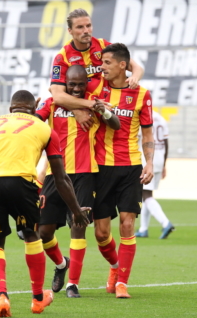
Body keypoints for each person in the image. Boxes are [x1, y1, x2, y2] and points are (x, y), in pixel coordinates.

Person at [0, 90, 90, 318]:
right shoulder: (44, 129)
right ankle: (37, 300)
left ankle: (1, 295)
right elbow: (60, 178)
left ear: (11, 108)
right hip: (22, 184)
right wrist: (75, 210)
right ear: (34, 110)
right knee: (31, 236)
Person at [36, 65, 120, 298]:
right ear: (64, 83)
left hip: (85, 173)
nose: (75, 88)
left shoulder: (93, 102)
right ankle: (62, 264)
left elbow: (115, 124)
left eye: (80, 84)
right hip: (56, 174)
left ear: (86, 84)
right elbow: (35, 121)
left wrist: (102, 111)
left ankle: (73, 284)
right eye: (71, 84)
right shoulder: (51, 101)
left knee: (79, 224)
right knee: (44, 231)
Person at [87, 43, 155, 299]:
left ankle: (122, 283)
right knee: (101, 232)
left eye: (106, 63)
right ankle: (115, 267)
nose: (101, 67)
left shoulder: (142, 94)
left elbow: (147, 133)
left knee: (127, 224)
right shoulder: (94, 88)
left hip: (130, 168)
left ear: (122, 65)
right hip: (100, 168)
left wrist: (150, 163)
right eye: (101, 63)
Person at [49, 8, 144, 132]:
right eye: (80, 27)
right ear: (70, 31)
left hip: (108, 107)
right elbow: (57, 95)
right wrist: (79, 109)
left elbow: (137, 67)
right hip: (86, 113)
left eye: (88, 26)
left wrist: (135, 77)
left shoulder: (102, 45)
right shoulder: (62, 57)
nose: (86, 31)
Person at [135, 111, 175, 239]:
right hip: (159, 159)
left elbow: (137, 138)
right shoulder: (161, 118)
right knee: (147, 193)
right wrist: (164, 164)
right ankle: (143, 229)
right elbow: (166, 142)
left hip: (146, 160)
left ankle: (166, 223)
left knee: (145, 194)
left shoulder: (141, 116)